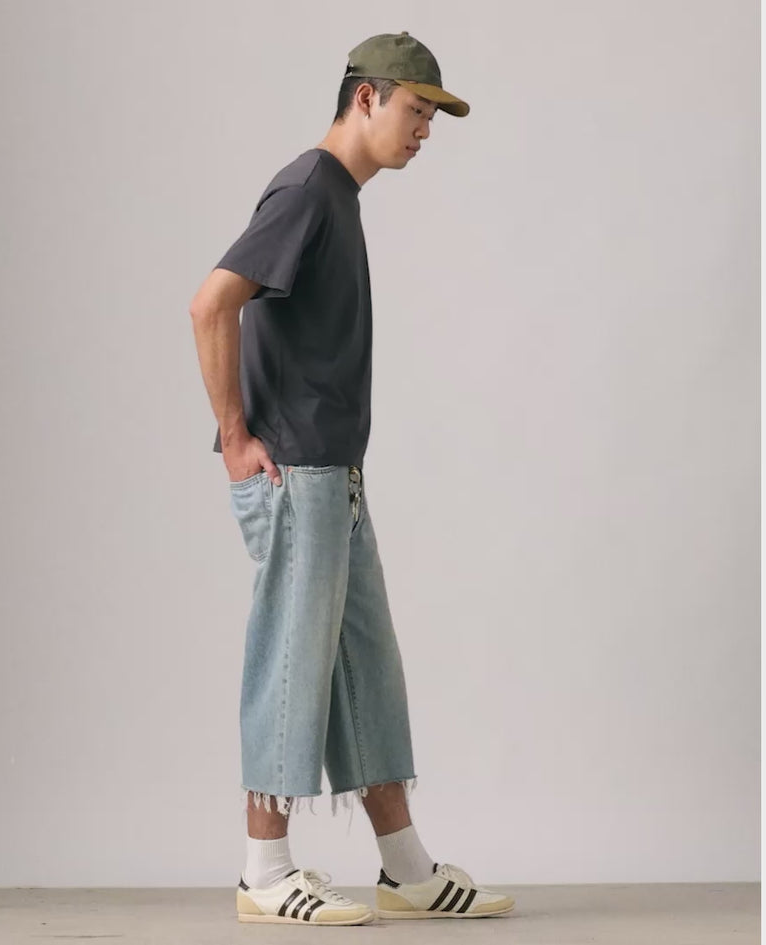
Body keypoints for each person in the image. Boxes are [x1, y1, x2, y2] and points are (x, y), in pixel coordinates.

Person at [189, 30, 516, 927]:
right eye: (416, 110)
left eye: (433, 116)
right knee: (291, 666)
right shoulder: (308, 188)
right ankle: (264, 871)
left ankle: (405, 869)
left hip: (337, 475)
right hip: (298, 472)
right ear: (365, 97)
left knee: (367, 669)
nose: (425, 131)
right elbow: (211, 302)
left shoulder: (337, 195)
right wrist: (235, 439)